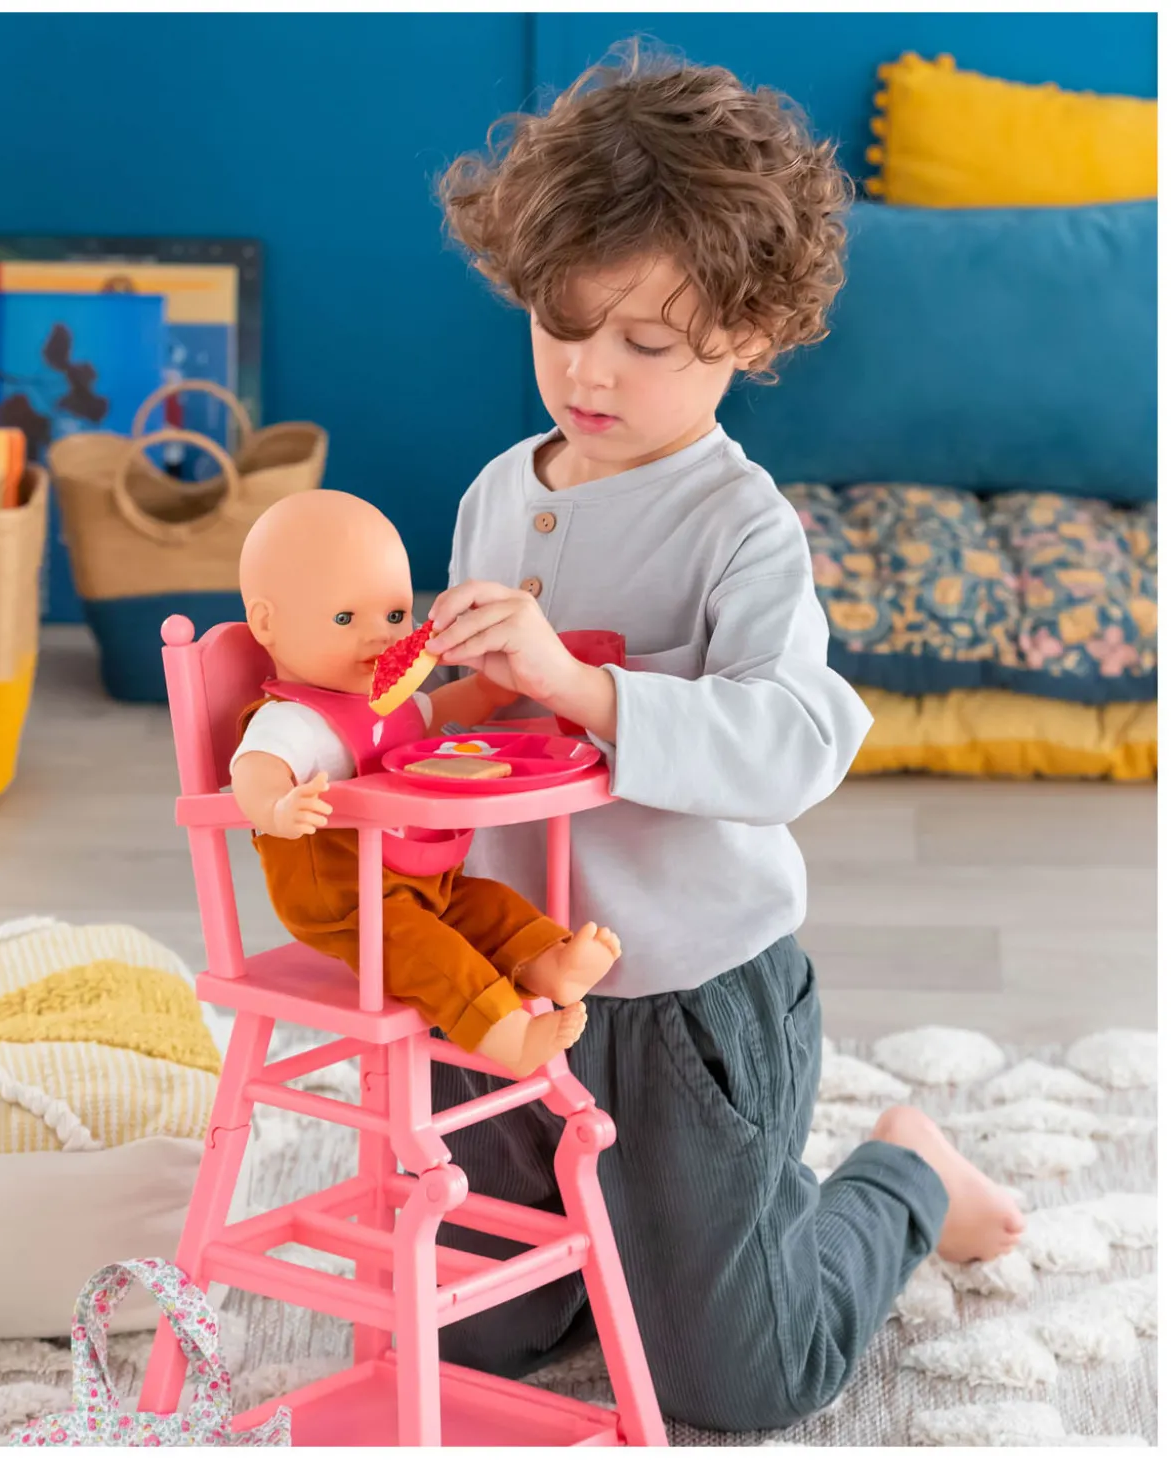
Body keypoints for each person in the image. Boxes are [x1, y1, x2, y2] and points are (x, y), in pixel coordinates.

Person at [422, 40, 1025, 1430]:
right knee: (474, 1333)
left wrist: (580, 687)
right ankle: (611, 1245)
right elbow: (479, 723)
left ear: (747, 335)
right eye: (561, 322)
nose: (589, 371)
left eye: (645, 343)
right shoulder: (498, 493)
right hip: (508, 986)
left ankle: (904, 1171)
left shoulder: (738, 526)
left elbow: (794, 737)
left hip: (683, 1000)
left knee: (739, 1378)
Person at [228, 489, 621, 1077]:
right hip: (348, 903)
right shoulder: (292, 720)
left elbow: (439, 711)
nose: (381, 637)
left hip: (425, 878)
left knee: (490, 904)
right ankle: (507, 1036)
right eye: (345, 618)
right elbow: (253, 770)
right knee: (423, 948)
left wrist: (489, 690)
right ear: (267, 624)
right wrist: (278, 808)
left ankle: (551, 965)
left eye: (395, 616)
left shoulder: (391, 702)